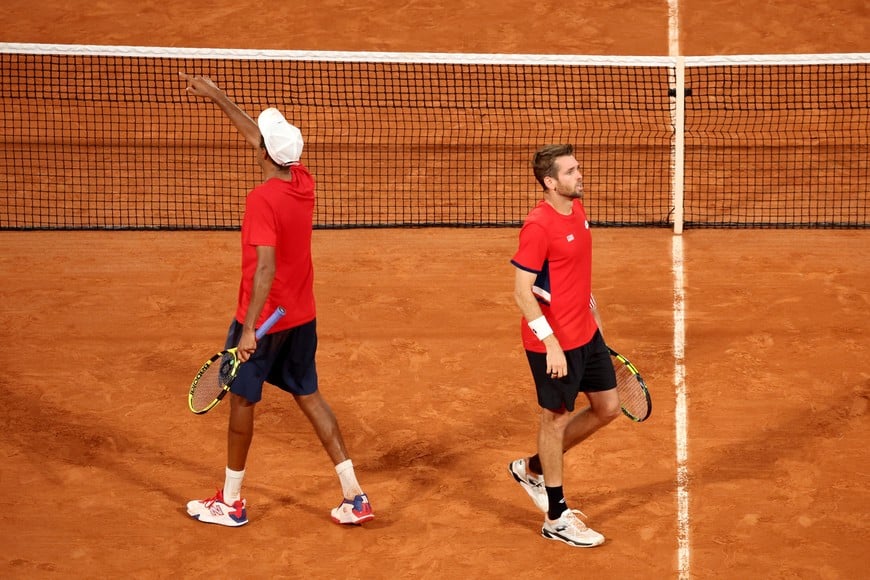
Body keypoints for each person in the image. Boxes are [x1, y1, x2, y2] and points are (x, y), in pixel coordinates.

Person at [180, 73, 374, 528]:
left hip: (263, 320)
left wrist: (248, 329)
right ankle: (355, 496)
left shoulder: (262, 200)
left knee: (242, 404)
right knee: (309, 395)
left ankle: (231, 503)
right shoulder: (301, 181)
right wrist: (218, 96)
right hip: (300, 314)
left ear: (265, 154)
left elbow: (264, 268)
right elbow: (258, 136)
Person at [508, 144, 620, 547]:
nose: (580, 175)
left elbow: (576, 276)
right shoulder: (538, 226)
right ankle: (556, 516)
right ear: (550, 182)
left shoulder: (577, 210)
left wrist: (596, 316)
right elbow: (522, 292)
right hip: (553, 345)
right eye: (571, 172)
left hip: (587, 334)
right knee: (553, 421)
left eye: (578, 169)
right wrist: (551, 342)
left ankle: (533, 467)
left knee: (608, 407)